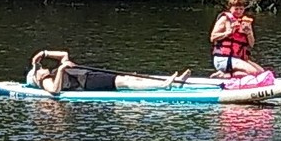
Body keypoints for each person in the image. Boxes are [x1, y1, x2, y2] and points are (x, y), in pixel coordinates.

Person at [24, 51, 189, 93]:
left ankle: (173, 82)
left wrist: (44, 53)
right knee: (125, 82)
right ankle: (163, 86)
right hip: (88, 84)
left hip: (89, 75)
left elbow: (64, 55)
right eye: (38, 69)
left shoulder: (48, 73)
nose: (40, 67)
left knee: (129, 77)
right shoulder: (46, 81)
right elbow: (54, 91)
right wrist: (61, 68)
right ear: (37, 78)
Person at [210, 0, 263, 75]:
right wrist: (229, 32)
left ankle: (228, 75)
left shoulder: (245, 22)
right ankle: (225, 76)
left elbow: (251, 44)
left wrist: (249, 33)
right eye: (236, 9)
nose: (238, 11)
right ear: (230, 8)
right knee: (253, 72)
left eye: (241, 9)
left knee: (261, 73)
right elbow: (213, 37)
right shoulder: (224, 19)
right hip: (223, 58)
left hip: (238, 58)